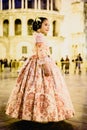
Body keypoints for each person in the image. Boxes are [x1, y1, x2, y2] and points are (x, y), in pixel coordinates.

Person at [6, 17, 75, 123]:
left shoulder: (39, 36)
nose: (48, 27)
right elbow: (41, 52)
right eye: (46, 25)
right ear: (39, 27)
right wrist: (45, 66)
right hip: (41, 63)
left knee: (37, 87)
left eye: (49, 25)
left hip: (40, 61)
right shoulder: (39, 36)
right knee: (44, 87)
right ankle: (44, 112)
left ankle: (36, 112)